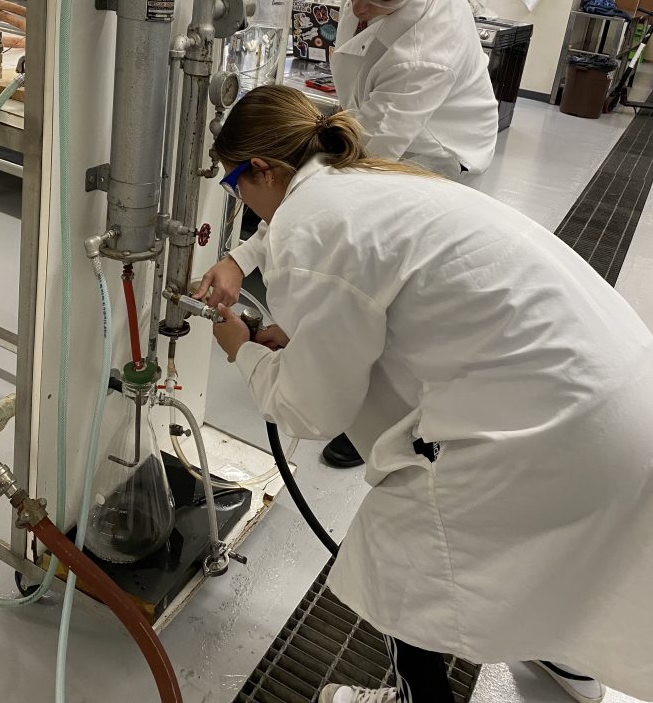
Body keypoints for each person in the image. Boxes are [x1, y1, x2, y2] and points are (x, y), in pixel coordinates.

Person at [209, 84, 653, 703]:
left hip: (556, 430)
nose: (241, 203)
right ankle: (568, 662)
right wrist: (277, 303)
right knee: (540, 543)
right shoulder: (368, 179)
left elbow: (310, 410)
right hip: (617, 393)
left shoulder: (314, 227)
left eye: (235, 185)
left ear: (260, 168)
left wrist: (244, 352)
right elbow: (373, 298)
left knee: (407, 563)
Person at [196, 0, 499, 468]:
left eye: (375, 3)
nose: (356, 8)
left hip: (434, 152)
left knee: (385, 282)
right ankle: (333, 354)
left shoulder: (424, 54)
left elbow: (338, 188)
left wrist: (247, 271)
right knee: (355, 277)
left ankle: (368, 410)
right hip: (378, 121)